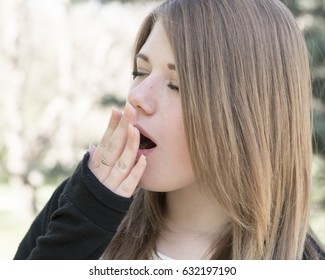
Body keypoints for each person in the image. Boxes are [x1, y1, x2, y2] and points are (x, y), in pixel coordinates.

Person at [14, 0, 325, 260]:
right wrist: (84, 226)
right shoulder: (82, 203)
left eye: (176, 85)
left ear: (247, 115)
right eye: (140, 72)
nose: (137, 97)